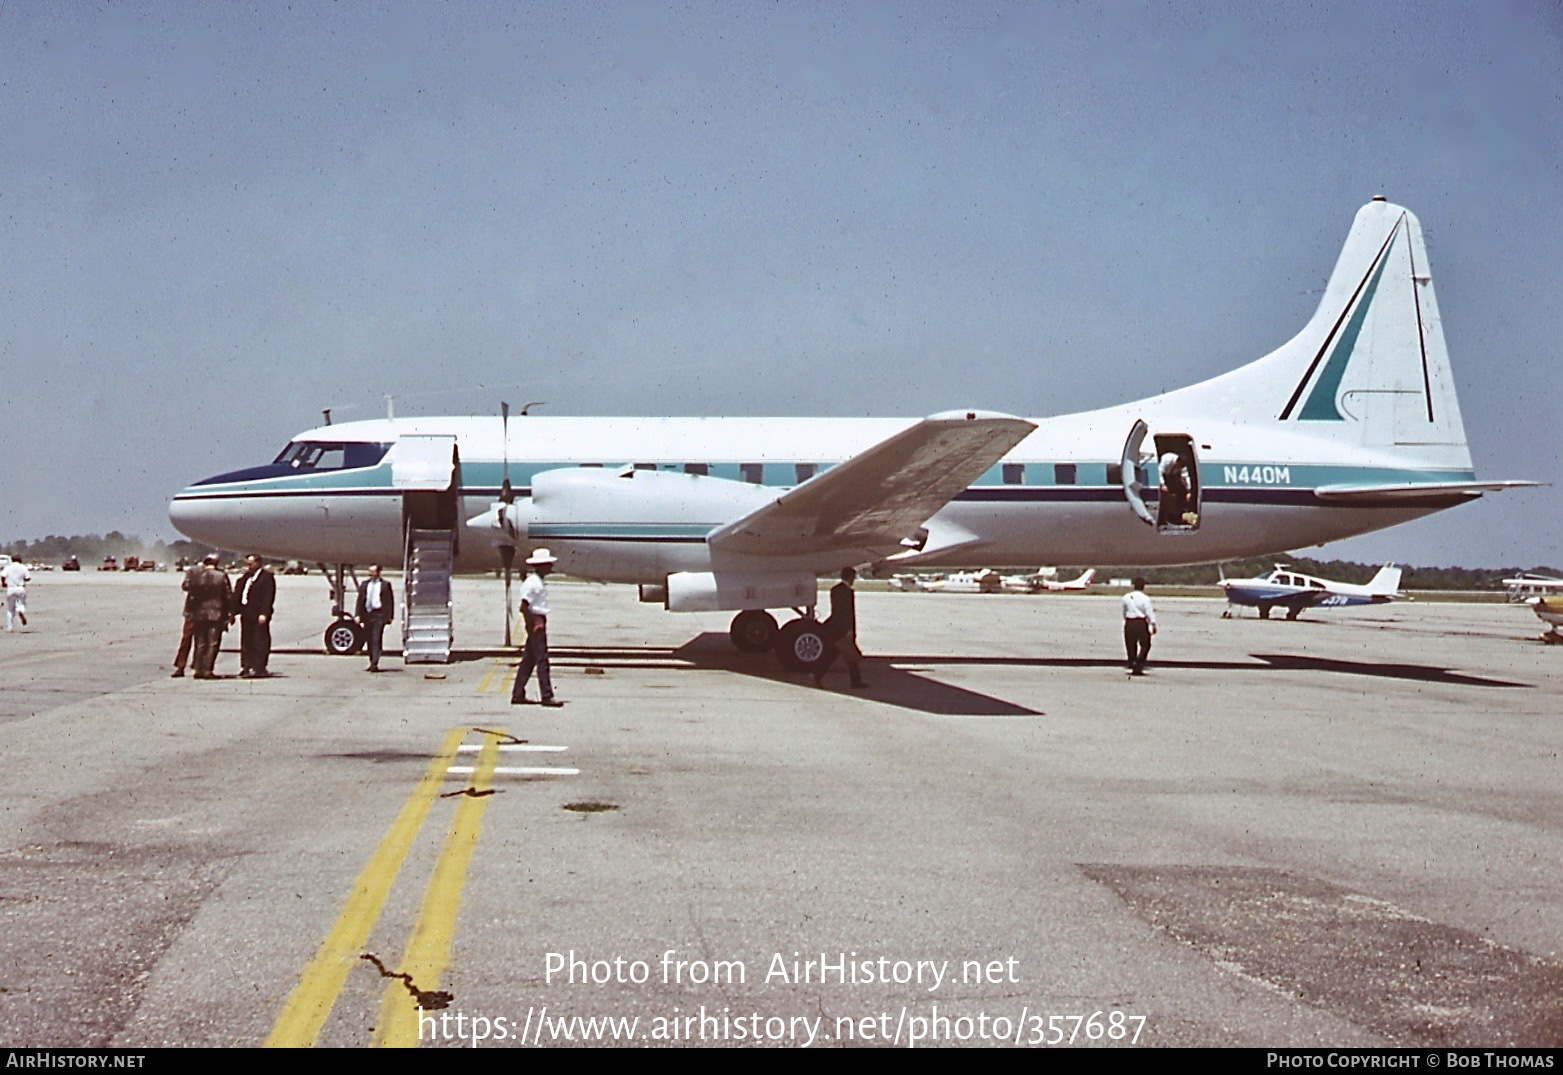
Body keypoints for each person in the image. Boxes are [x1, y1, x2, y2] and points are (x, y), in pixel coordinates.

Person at [510, 548, 562, 706]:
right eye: (548, 564)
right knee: (542, 659)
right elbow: (523, 606)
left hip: (537, 621)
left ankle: (518, 693)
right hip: (536, 622)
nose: (550, 567)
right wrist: (534, 623)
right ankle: (546, 695)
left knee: (528, 660)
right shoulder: (533, 583)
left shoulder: (537, 581)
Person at [814, 567, 868, 689]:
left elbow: (837, 611)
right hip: (842, 630)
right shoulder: (847, 592)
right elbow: (847, 613)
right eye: (853, 577)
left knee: (841, 656)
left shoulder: (835, 590)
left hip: (835, 628)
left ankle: (855, 682)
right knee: (849, 655)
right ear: (850, 577)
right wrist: (849, 629)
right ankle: (817, 676)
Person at [189, 554, 233, 679]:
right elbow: (228, 595)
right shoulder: (221, 576)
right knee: (213, 643)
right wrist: (230, 612)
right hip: (216, 613)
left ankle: (198, 669)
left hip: (199, 613)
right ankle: (208, 669)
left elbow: (192, 594)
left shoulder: (197, 577)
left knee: (200, 642)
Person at [233, 554, 277, 678]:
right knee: (246, 640)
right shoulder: (246, 577)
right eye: (247, 564)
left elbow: (268, 596)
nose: (248, 566)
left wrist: (264, 613)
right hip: (246, 613)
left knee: (260, 640)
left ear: (258, 563)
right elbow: (238, 592)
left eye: (250, 564)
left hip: (258, 614)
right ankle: (246, 666)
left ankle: (259, 667)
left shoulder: (266, 577)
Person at [355, 564, 394, 672]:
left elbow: (389, 602)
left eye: (372, 571)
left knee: (376, 638)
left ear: (378, 572)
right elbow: (360, 600)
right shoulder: (364, 584)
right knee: (369, 639)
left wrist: (389, 616)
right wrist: (358, 615)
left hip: (379, 614)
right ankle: (371, 660)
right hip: (367, 614)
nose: (370, 573)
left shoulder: (385, 585)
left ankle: (374, 662)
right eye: (369, 571)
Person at [172, 559, 203, 676]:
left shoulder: (216, 573)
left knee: (200, 641)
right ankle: (181, 666)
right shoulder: (193, 572)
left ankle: (197, 665)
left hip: (204, 612)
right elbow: (185, 585)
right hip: (193, 610)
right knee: (187, 639)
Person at [1122, 576, 1156, 676]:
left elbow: (1124, 611)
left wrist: (1126, 620)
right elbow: (1149, 612)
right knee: (1145, 645)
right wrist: (1152, 623)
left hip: (1130, 621)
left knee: (1130, 644)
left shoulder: (1126, 597)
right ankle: (1139, 662)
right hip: (1141, 622)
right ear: (1143, 587)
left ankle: (1132, 661)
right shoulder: (1145, 599)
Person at [4, 557, 31, 631]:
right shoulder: (23, 567)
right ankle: (20, 611)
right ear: (20, 560)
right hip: (20, 588)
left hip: (11, 588)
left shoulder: (8, 567)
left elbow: (3, 576)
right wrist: (23, 579)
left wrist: (3, 583)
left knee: (10, 609)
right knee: (22, 604)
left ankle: (10, 627)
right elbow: (28, 578)